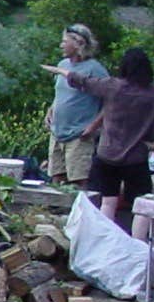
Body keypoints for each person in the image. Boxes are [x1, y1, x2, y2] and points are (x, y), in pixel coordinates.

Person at [43, 47, 154, 227]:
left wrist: (62, 71)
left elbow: (84, 81)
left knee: (108, 202)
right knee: (141, 206)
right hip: (137, 156)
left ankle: (106, 244)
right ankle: (140, 246)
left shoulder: (113, 86)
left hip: (107, 155)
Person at [46, 23, 108, 185]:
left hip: (79, 134)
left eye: (65, 41)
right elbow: (61, 92)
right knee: (56, 176)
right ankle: (54, 209)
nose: (61, 45)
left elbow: (110, 101)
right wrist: (52, 109)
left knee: (79, 180)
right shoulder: (62, 65)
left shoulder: (95, 69)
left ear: (78, 43)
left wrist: (94, 126)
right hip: (57, 131)